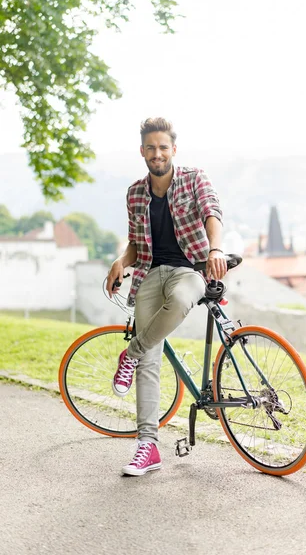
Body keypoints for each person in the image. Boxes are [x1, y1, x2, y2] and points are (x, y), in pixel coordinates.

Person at [106, 117, 227, 476]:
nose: (157, 153)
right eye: (150, 148)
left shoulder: (194, 178)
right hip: (148, 274)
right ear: (142, 151)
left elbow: (211, 212)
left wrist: (215, 250)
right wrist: (120, 261)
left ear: (173, 149)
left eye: (163, 147)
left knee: (178, 303)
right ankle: (148, 447)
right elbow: (135, 243)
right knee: (150, 362)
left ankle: (130, 353)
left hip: (189, 270)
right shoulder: (135, 192)